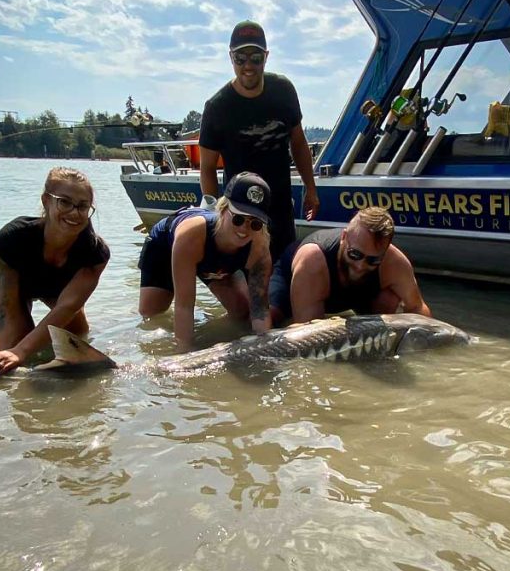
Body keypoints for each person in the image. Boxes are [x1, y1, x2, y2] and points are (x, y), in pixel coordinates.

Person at [198, 20, 320, 262]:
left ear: (266, 56)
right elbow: (207, 167)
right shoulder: (217, 107)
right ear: (230, 57)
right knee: (247, 283)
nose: (248, 66)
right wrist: (212, 214)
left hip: (280, 205)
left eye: (255, 57)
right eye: (240, 58)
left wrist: (311, 188)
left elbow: (298, 142)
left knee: (284, 276)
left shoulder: (283, 90)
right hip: (240, 212)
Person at [0, 166, 110, 378]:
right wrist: (11, 355)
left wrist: (23, 350)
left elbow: (67, 307)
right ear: (46, 201)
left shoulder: (95, 253)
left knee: (77, 335)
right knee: (15, 344)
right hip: (14, 278)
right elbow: (8, 310)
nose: (74, 213)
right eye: (64, 202)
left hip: (58, 284)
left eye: (82, 206)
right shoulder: (11, 238)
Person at [138, 172, 273, 352]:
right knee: (152, 313)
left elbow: (260, 309)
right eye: (238, 218)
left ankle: (209, 337)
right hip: (167, 246)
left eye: (255, 223)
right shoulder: (191, 235)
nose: (244, 229)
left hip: (214, 259)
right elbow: (185, 305)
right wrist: (183, 353)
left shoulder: (259, 249)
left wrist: (265, 347)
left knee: (241, 311)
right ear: (223, 209)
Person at [269, 207, 430, 324]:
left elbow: (417, 308)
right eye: (355, 254)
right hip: (297, 281)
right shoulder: (313, 260)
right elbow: (306, 332)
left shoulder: (395, 262)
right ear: (344, 237)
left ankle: (369, 328)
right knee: (271, 317)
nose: (361, 265)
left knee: (390, 298)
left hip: (356, 293)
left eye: (372, 260)